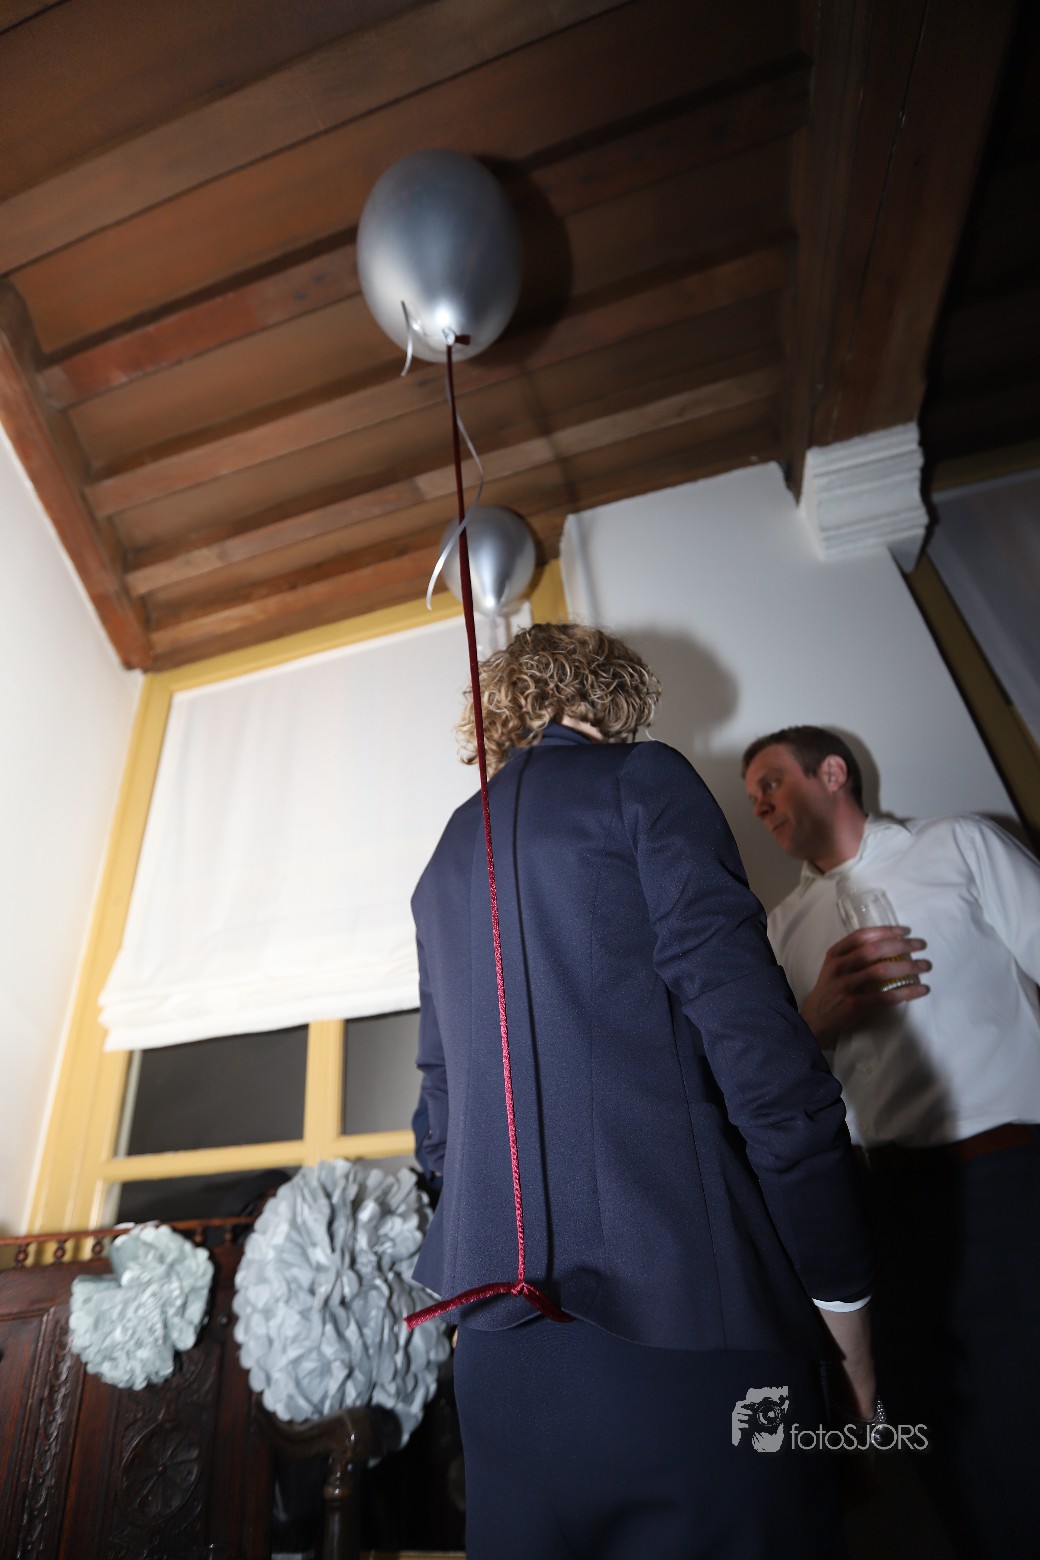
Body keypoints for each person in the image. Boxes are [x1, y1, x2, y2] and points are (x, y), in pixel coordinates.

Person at [410, 626, 875, 1560]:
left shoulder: (445, 857)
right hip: (689, 1342)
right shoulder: (641, 780)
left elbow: (439, 1133)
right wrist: (846, 1312)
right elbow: (769, 1071)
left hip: (500, 1389)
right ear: (613, 693)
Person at [742, 725, 1040, 1560]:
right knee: (936, 1427)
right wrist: (815, 1020)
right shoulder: (781, 930)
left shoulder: (960, 845)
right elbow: (779, 1086)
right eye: (753, 796)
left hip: (1008, 1176)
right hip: (882, 1204)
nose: (759, 805)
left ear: (833, 772)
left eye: (771, 782)